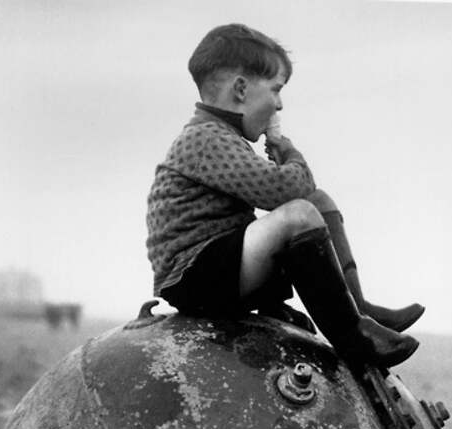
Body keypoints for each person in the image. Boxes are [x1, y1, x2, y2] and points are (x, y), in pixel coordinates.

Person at [146, 23, 424, 367]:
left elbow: (302, 193)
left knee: (318, 203)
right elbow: (288, 190)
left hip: (219, 265)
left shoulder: (222, 135)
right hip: (192, 276)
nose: (279, 106)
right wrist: (287, 150)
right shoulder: (205, 137)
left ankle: (358, 307)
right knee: (300, 215)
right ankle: (354, 338)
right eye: (276, 90)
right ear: (241, 89)